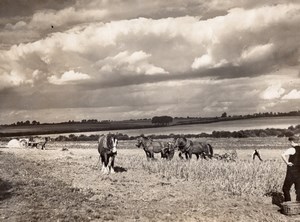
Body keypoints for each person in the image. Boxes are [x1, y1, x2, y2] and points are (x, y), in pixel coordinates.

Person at [281, 136, 300, 202]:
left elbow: (282, 154)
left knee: (285, 188)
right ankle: (298, 206)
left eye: (290, 142)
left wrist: (287, 162)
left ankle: (288, 203)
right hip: (299, 172)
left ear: (292, 141)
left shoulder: (292, 149)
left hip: (291, 172)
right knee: (298, 190)